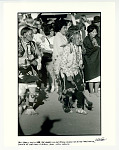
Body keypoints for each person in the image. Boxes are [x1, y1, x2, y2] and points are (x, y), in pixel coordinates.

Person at [59, 25, 87, 114]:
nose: (80, 40)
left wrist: (80, 65)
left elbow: (80, 59)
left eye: (80, 38)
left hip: (76, 71)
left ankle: (79, 107)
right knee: (69, 90)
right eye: (78, 38)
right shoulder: (67, 48)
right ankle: (66, 105)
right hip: (67, 71)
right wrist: (68, 75)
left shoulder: (78, 47)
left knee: (80, 88)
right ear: (72, 38)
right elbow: (63, 64)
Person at [18, 26, 42, 114]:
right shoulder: (17, 43)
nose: (32, 36)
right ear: (24, 34)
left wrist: (38, 61)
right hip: (19, 70)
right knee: (21, 92)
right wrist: (26, 59)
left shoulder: (33, 44)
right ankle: (20, 104)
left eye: (32, 34)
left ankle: (30, 108)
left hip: (30, 69)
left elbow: (39, 55)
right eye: (30, 34)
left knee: (33, 88)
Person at [83, 24, 100, 96]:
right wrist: (96, 47)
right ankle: (91, 92)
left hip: (97, 60)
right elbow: (86, 51)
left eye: (95, 32)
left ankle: (96, 91)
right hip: (89, 60)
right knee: (91, 77)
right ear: (89, 32)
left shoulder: (98, 39)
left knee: (97, 76)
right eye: (93, 32)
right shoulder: (86, 40)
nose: (95, 33)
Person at [53, 19, 68, 92]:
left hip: (63, 59)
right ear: (60, 28)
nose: (66, 29)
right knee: (61, 77)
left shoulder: (63, 36)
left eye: (66, 27)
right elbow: (60, 49)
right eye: (64, 27)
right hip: (60, 60)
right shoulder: (58, 36)